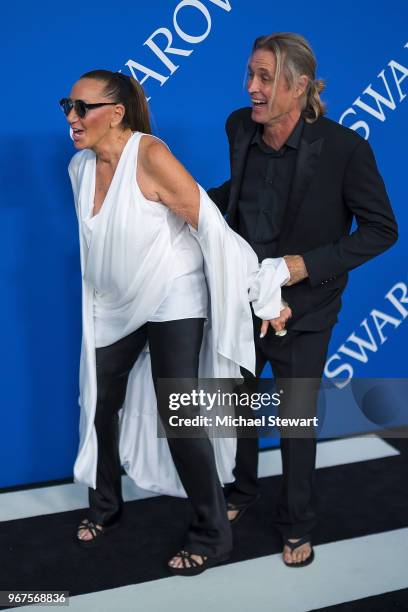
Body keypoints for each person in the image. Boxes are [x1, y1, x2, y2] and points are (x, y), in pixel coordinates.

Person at [61, 70, 291, 576]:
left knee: (180, 409)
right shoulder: (79, 168)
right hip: (115, 302)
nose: (72, 118)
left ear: (117, 112)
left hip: (173, 293)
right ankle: (106, 505)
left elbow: (210, 225)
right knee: (99, 399)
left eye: (83, 107)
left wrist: (262, 292)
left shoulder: (150, 155)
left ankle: (213, 533)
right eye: (67, 107)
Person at [208, 32, 398, 567]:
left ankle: (297, 523)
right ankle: (242, 493)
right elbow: (242, 195)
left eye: (265, 78)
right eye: (250, 75)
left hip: (306, 310)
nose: (251, 88)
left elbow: (382, 230)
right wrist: (192, 203)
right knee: (240, 409)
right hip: (241, 298)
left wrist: (302, 266)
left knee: (295, 421)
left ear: (301, 86)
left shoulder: (345, 149)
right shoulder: (239, 126)